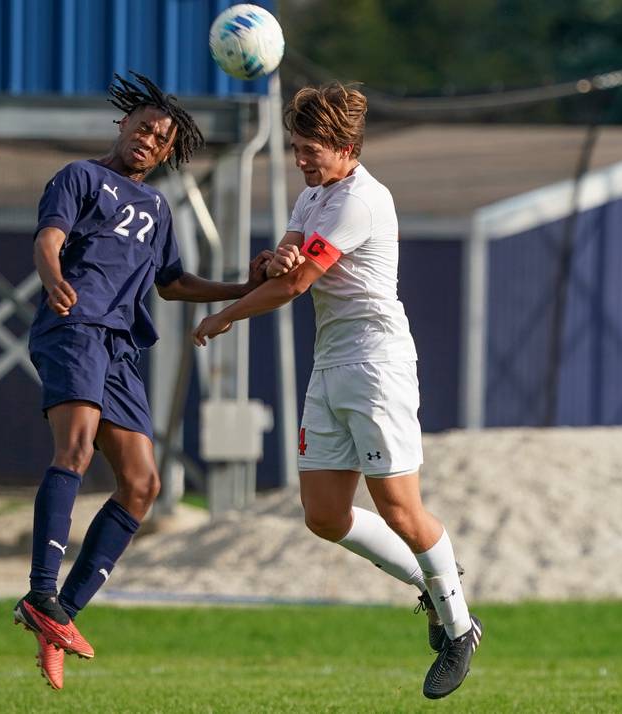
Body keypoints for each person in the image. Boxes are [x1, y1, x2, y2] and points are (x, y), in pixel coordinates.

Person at [193, 82, 482, 700]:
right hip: (331, 364)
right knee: (324, 515)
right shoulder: (313, 197)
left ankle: (458, 628)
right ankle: (434, 582)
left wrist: (228, 314)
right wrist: (273, 262)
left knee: (400, 509)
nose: (300, 159)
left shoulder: (362, 200)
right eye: (296, 147)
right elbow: (289, 265)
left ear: (345, 147)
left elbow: (298, 287)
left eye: (310, 149)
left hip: (377, 364)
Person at [13, 71, 272, 690]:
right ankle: (40, 592)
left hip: (122, 347)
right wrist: (52, 276)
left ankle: (61, 615)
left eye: (163, 139)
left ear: (167, 154)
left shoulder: (158, 208)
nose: (150, 140)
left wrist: (245, 286)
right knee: (74, 449)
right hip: (73, 326)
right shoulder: (80, 177)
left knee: (142, 484)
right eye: (145, 127)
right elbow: (49, 237)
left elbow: (173, 283)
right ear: (123, 125)